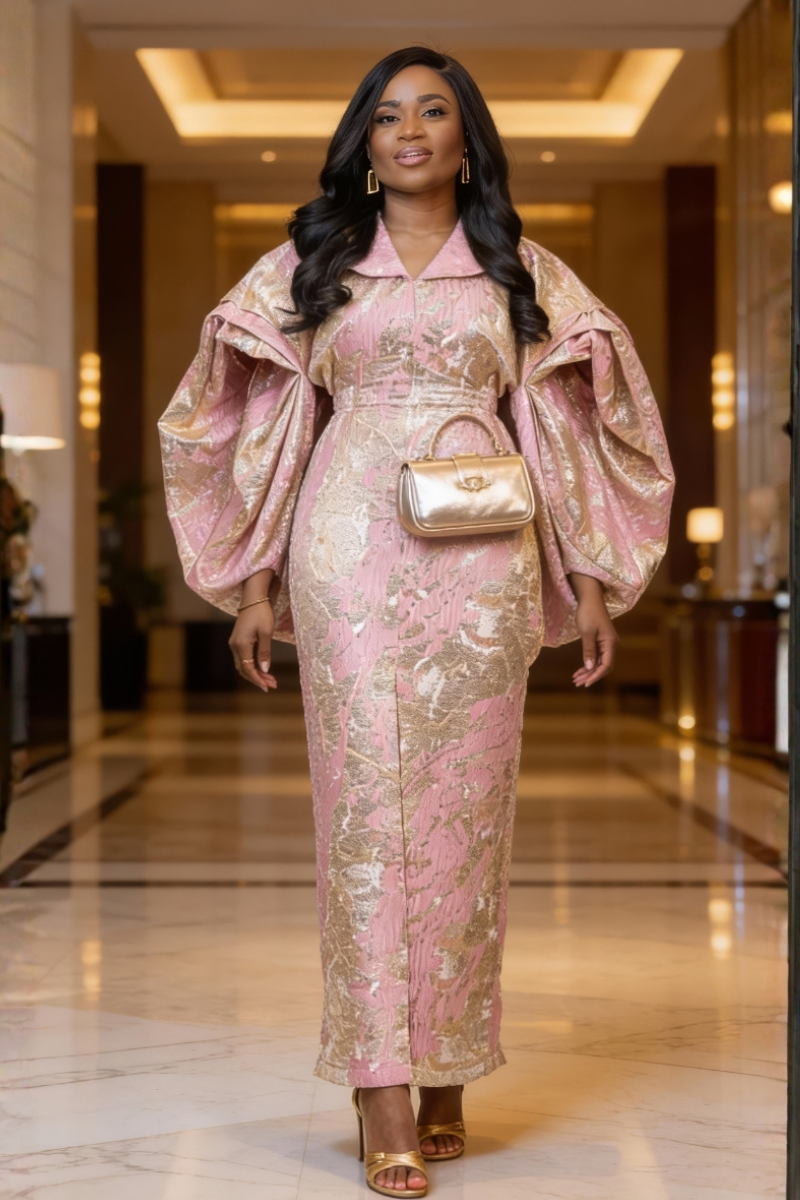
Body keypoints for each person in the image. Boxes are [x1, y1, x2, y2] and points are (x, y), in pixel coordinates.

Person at [159, 46, 673, 1199]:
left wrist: (588, 576)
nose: (407, 131)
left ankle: (447, 1060)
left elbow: (574, 427)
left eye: (432, 112)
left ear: (464, 138)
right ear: (362, 139)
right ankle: (379, 1079)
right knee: (365, 810)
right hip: (345, 548)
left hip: (483, 559)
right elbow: (247, 419)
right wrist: (254, 584)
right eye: (386, 115)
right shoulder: (315, 262)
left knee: (464, 814)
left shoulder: (517, 267)